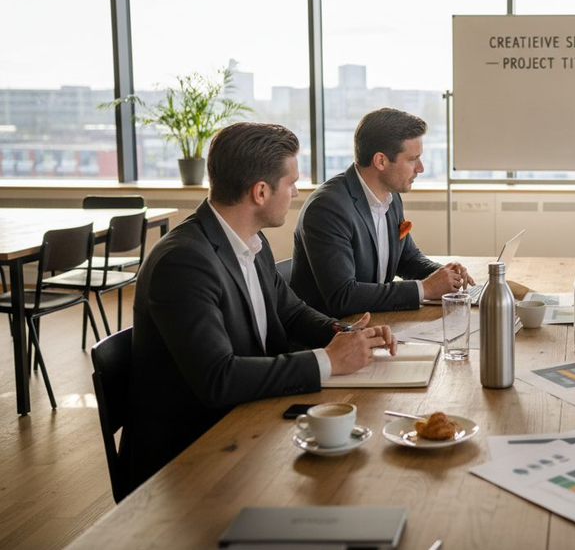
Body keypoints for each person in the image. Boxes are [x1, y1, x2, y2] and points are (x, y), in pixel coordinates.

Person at [123, 122, 396, 490]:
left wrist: (349, 336)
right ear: (261, 192)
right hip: (191, 459)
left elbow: (292, 312)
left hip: (249, 419)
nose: (297, 193)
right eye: (292, 183)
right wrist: (329, 360)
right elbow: (218, 379)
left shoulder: (251, 240)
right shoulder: (184, 261)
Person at [291, 108, 472, 317]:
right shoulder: (327, 208)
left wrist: (445, 275)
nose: (420, 168)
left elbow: (407, 258)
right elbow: (343, 296)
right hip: (335, 335)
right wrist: (426, 289)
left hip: (376, 321)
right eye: (413, 159)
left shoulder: (390, 196)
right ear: (381, 161)